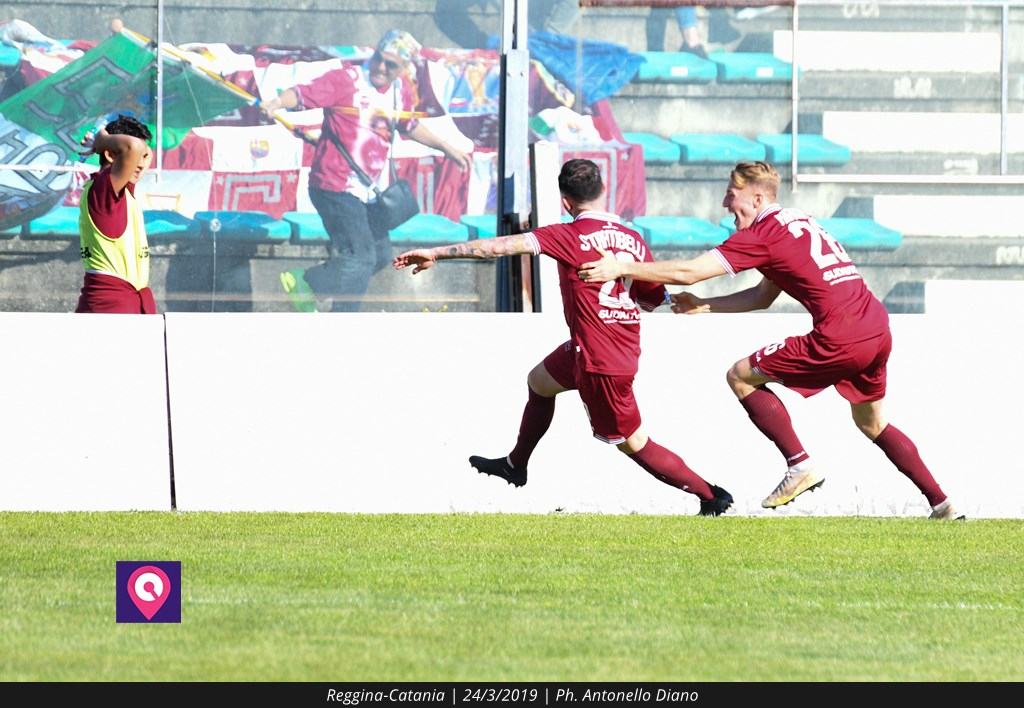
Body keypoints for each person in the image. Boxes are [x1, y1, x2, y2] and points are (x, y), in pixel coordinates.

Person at [578, 161, 964, 520]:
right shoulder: (798, 221)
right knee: (873, 422)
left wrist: (620, 266)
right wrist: (706, 306)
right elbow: (762, 296)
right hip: (876, 327)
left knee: (741, 376)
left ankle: (799, 465)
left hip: (840, 334)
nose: (725, 203)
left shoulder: (763, 234)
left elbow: (690, 271)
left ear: (757, 197)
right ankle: (942, 503)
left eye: (732, 194)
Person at [393, 158, 733, 516]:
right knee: (539, 382)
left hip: (601, 362)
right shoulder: (633, 240)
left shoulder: (567, 235)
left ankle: (711, 496)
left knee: (633, 442)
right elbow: (650, 299)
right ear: (603, 190)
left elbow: (496, 247)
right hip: (596, 348)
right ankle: (515, 464)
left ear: (565, 202)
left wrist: (436, 253)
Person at [261, 30, 470, 312]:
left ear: (403, 68)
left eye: (391, 65)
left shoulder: (399, 93)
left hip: (366, 193)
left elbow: (408, 125)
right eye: (378, 59)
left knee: (380, 255)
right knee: (359, 258)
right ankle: (343, 320)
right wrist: (276, 103)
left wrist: (445, 146)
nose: (381, 68)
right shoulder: (348, 79)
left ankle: (310, 283)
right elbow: (302, 94)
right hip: (334, 186)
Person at [75, 114, 156, 314]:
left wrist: (104, 144)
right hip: (110, 308)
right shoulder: (104, 188)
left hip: (124, 304)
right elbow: (133, 147)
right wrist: (100, 140)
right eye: (137, 157)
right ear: (111, 155)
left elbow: (139, 148)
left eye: (144, 157)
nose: (141, 164)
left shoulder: (122, 188)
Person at [434, 0, 580, 49]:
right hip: (496, 60)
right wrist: (481, 43)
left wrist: (547, 38)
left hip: (540, 55)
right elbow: (445, 11)